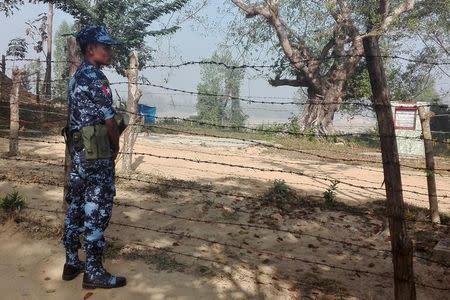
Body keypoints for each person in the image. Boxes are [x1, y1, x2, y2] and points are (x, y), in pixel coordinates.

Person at [62, 25, 126, 289]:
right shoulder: (97, 78)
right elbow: (109, 122)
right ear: (90, 49)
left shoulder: (76, 77)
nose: (109, 51)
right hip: (96, 149)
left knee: (76, 204)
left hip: (77, 150)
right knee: (97, 207)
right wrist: (116, 145)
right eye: (105, 46)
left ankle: (71, 262)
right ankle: (94, 272)